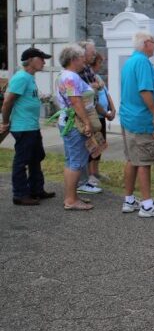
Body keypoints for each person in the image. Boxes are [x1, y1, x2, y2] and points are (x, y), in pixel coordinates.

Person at [118, 31, 154, 218]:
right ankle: (147, 205)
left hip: (129, 117)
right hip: (141, 119)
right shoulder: (142, 62)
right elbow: (145, 90)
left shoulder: (130, 61)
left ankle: (129, 200)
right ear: (147, 43)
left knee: (132, 159)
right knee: (144, 162)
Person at [0, 48, 56, 205]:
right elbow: (7, 102)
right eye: (42, 58)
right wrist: (5, 123)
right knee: (22, 161)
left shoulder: (29, 77)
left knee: (36, 158)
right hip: (23, 127)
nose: (44, 62)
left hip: (31, 126)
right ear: (31, 60)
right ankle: (19, 194)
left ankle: (36, 190)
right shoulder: (22, 78)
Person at [54, 44, 94, 211]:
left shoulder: (62, 75)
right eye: (81, 57)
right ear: (73, 60)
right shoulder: (71, 77)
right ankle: (71, 199)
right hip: (74, 124)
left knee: (71, 160)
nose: (84, 60)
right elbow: (76, 101)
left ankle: (71, 196)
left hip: (67, 121)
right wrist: (87, 122)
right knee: (76, 162)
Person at [75, 40, 104, 195]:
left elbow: (95, 85)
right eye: (91, 52)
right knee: (80, 150)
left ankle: (86, 179)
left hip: (92, 111)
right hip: (83, 115)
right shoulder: (74, 72)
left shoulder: (86, 68)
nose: (93, 55)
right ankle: (81, 182)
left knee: (91, 146)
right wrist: (93, 86)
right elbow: (79, 93)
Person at [87, 52, 115, 185]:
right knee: (93, 145)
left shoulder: (97, 77)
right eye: (99, 63)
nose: (101, 65)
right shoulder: (88, 78)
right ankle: (90, 174)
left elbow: (107, 93)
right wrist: (105, 113)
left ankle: (96, 172)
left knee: (101, 144)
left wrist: (113, 108)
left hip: (102, 116)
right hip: (94, 117)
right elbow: (94, 100)